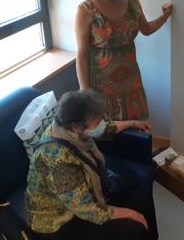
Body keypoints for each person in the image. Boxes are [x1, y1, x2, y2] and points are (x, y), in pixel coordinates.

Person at [25, 90, 156, 240]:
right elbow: (87, 210)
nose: (101, 124)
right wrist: (131, 214)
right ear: (77, 128)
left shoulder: (68, 127)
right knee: (133, 227)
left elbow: (104, 129)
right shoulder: (58, 162)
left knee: (140, 197)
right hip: (58, 221)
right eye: (97, 122)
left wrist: (132, 123)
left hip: (83, 193)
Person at [75, 0, 173, 121]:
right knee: (108, 132)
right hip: (101, 84)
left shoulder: (133, 1)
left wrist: (165, 16)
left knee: (136, 130)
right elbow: (82, 55)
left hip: (131, 80)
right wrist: (86, 92)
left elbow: (146, 29)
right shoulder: (86, 10)